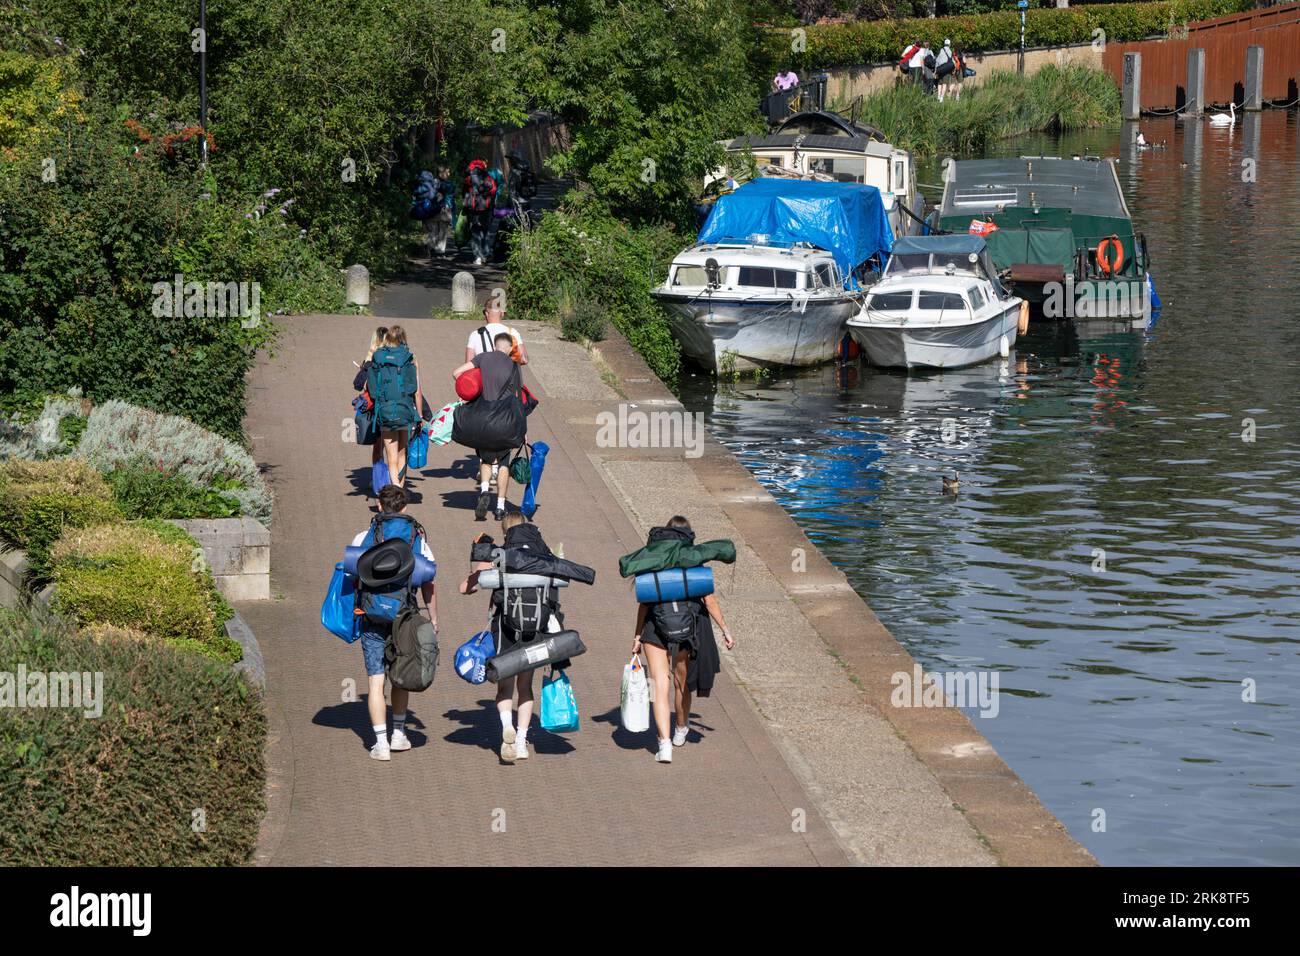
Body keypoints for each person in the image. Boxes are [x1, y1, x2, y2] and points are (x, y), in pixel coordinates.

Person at [460, 514, 566, 763]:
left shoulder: (500, 554)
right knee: (525, 687)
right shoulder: (543, 554)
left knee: (505, 686)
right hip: (534, 629)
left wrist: (475, 566)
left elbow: (465, 588)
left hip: (505, 628)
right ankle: (521, 741)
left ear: (506, 531)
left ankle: (506, 724)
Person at [630, 516, 735, 764]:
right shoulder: (692, 560)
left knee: (660, 684)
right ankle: (681, 728)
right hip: (686, 627)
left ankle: (664, 744)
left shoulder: (653, 559)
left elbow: (644, 604)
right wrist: (725, 630)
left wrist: (636, 635)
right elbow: (709, 601)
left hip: (655, 628)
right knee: (681, 683)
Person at [351, 484, 437, 761]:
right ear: (405, 508)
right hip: (405, 616)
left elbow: (352, 573)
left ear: (379, 505)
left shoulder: (366, 535)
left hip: (372, 614)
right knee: (400, 674)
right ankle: (399, 734)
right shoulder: (416, 538)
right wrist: (434, 618)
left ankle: (380, 744)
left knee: (376, 682)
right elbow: (428, 581)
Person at [451, 331, 523, 520]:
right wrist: (522, 429)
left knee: (486, 459)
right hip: (505, 422)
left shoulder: (483, 358)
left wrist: (468, 393)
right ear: (509, 349)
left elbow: (456, 373)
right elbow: (518, 400)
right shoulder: (514, 367)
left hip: (482, 419)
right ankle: (499, 507)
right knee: (504, 462)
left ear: (494, 346)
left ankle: (484, 491)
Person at [367, 325, 425, 490]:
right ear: (403, 339)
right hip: (405, 410)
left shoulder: (378, 356)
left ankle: (395, 490)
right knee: (401, 454)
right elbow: (415, 389)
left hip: (385, 410)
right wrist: (419, 415)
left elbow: (372, 389)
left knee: (390, 457)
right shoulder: (410, 358)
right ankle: (400, 489)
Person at [355, 326, 388, 467]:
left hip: (374, 406)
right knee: (394, 445)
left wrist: (363, 371)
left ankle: (378, 478)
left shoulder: (369, 359)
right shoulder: (392, 358)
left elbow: (358, 384)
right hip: (391, 404)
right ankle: (395, 479)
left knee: (378, 445)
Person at [463, 158, 497, 266]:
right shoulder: (488, 177)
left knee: (475, 233)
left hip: (474, 210)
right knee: (486, 232)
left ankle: (477, 256)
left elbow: (464, 192)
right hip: (486, 210)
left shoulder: (468, 179)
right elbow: (493, 191)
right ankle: (485, 255)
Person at [427, 166, 455, 256]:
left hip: (433, 209)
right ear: (441, 173)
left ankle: (431, 248)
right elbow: (451, 197)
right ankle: (439, 251)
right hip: (444, 209)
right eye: (447, 173)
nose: (449, 174)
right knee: (442, 230)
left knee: (434, 229)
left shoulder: (432, 183)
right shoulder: (448, 184)